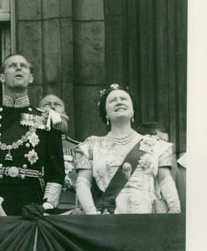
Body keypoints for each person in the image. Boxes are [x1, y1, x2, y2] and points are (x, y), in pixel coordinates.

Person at [0, 53, 65, 216]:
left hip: (32, 205)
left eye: (23, 66)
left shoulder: (47, 120)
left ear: (31, 78)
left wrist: (46, 205)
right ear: (2, 77)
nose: (19, 68)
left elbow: (56, 173)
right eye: (12, 66)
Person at [74, 84, 180, 214]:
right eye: (112, 100)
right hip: (108, 220)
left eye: (123, 99)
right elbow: (83, 183)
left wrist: (174, 210)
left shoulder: (155, 145)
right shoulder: (91, 146)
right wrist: (92, 214)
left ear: (133, 110)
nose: (119, 102)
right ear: (105, 112)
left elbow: (165, 180)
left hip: (149, 219)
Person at [38, 93, 78, 212]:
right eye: (46, 104)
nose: (52, 107)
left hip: (69, 207)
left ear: (65, 114)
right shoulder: (32, 145)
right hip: (38, 206)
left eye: (57, 105)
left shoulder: (79, 148)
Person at [136, 121, 177, 213]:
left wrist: (174, 208)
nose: (164, 148)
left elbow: (167, 184)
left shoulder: (170, 168)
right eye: (160, 141)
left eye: (166, 142)